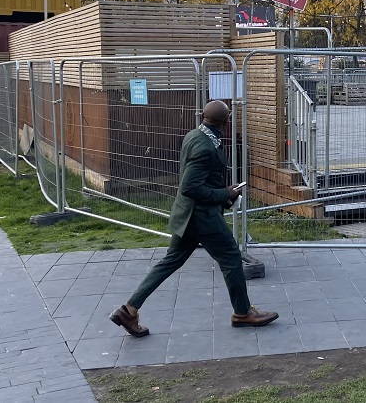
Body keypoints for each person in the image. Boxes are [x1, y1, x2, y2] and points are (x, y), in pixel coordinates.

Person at [110, 100, 278, 336]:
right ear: (226, 122)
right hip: (202, 218)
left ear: (202, 116)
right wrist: (224, 194)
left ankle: (129, 310)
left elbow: (198, 183)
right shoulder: (205, 147)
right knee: (230, 257)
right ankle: (243, 313)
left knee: (171, 261)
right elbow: (190, 187)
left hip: (186, 215)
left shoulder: (195, 135)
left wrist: (224, 195)